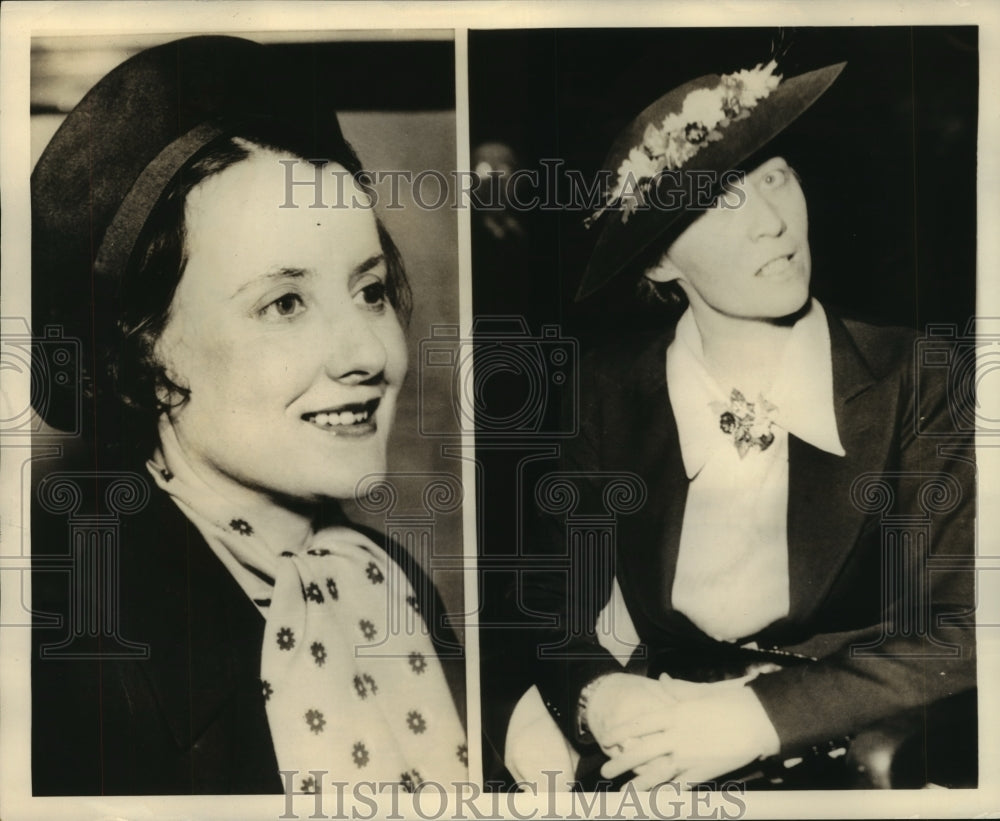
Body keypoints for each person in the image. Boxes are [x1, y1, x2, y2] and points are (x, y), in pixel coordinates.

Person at [505, 59, 976, 790]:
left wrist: (752, 718)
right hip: (660, 745)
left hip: (848, 753)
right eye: (722, 199)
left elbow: (964, 626)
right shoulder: (607, 386)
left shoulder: (925, 376)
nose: (774, 222)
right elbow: (546, 599)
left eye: (777, 176)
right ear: (660, 260)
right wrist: (596, 694)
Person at [30, 36, 467, 796]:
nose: (367, 350)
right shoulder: (69, 649)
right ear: (144, 357)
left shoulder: (385, 580)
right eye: (285, 303)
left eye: (369, 290)